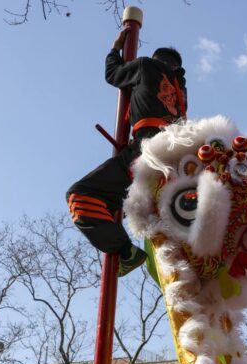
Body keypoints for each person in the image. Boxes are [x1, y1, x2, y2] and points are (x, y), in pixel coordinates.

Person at [65, 30, 187, 277]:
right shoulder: (181, 90)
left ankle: (126, 252)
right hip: (175, 160)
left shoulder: (145, 65)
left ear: (155, 58)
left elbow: (114, 75)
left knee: (80, 194)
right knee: (115, 197)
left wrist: (114, 51)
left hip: (146, 152)